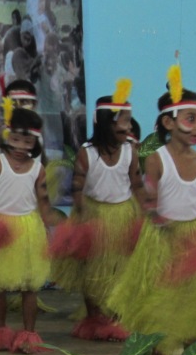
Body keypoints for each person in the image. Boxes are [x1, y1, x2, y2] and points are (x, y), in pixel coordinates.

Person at [106, 71, 196, 355]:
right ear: (168, 122)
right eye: (191, 119)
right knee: (160, 310)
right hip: (163, 244)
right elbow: (148, 199)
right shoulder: (156, 158)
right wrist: (157, 219)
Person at [58, 84, 145, 341]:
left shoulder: (130, 151)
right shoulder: (88, 153)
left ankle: (116, 320)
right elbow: (77, 186)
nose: (129, 128)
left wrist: (147, 211)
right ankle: (94, 316)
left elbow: (137, 184)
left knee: (121, 270)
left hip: (123, 216)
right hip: (94, 217)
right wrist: (82, 217)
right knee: (93, 271)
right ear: (108, 123)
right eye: (124, 123)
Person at [0, 105, 56, 354]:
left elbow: (44, 204)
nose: (21, 146)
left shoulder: (38, 169)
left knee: (29, 285)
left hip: (29, 229)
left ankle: (29, 333)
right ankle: (0, 331)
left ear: (36, 142)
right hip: (1, 226)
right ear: (7, 137)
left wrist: (56, 230)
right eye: (16, 139)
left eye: (27, 141)